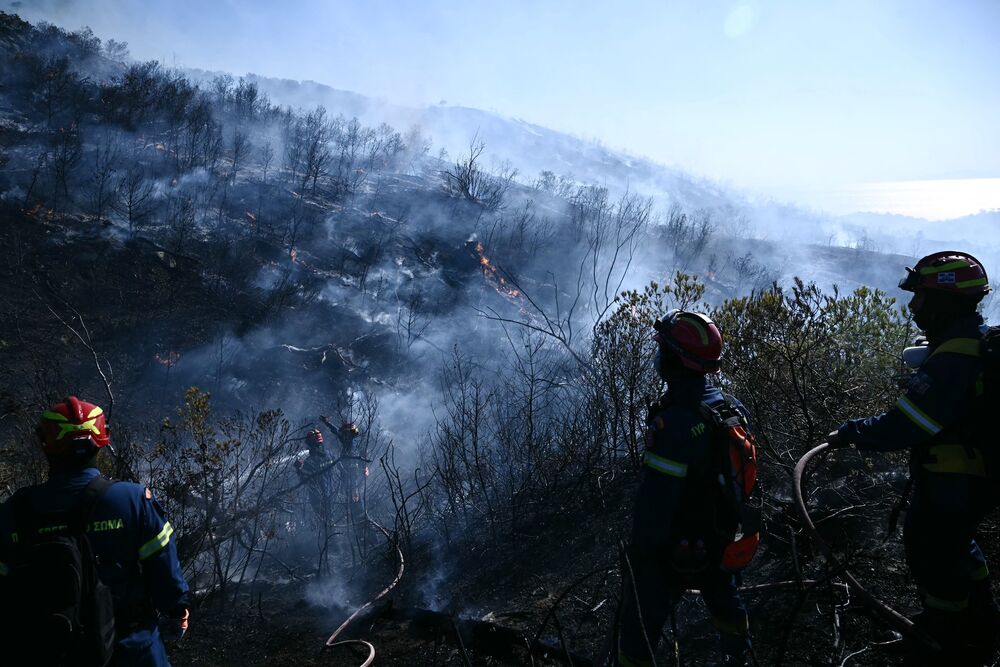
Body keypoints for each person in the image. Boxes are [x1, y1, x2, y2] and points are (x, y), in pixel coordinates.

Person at [827, 251, 996, 661]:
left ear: (943, 301)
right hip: (969, 479)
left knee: (933, 556)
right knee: (959, 549)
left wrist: (853, 432)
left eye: (920, 296)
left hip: (952, 482)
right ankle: (982, 622)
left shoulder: (954, 356)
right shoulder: (970, 342)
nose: (913, 305)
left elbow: (905, 425)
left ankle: (947, 641)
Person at [0, 396, 190, 666]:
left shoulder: (14, 510)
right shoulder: (134, 500)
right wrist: (177, 607)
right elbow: (164, 568)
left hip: (43, 649)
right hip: (132, 649)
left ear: (45, 442)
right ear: (104, 437)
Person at [617, 310, 754, 667]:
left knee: (638, 628)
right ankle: (739, 655)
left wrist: (641, 551)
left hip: (677, 546)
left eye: (662, 350)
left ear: (675, 360)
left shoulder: (674, 423)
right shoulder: (729, 406)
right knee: (726, 600)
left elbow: (656, 500)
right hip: (721, 537)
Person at [295, 427, 336, 522]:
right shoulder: (329, 454)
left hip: (322, 499)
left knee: (324, 526)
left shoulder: (310, 461)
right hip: (328, 497)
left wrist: (298, 469)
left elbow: (304, 480)